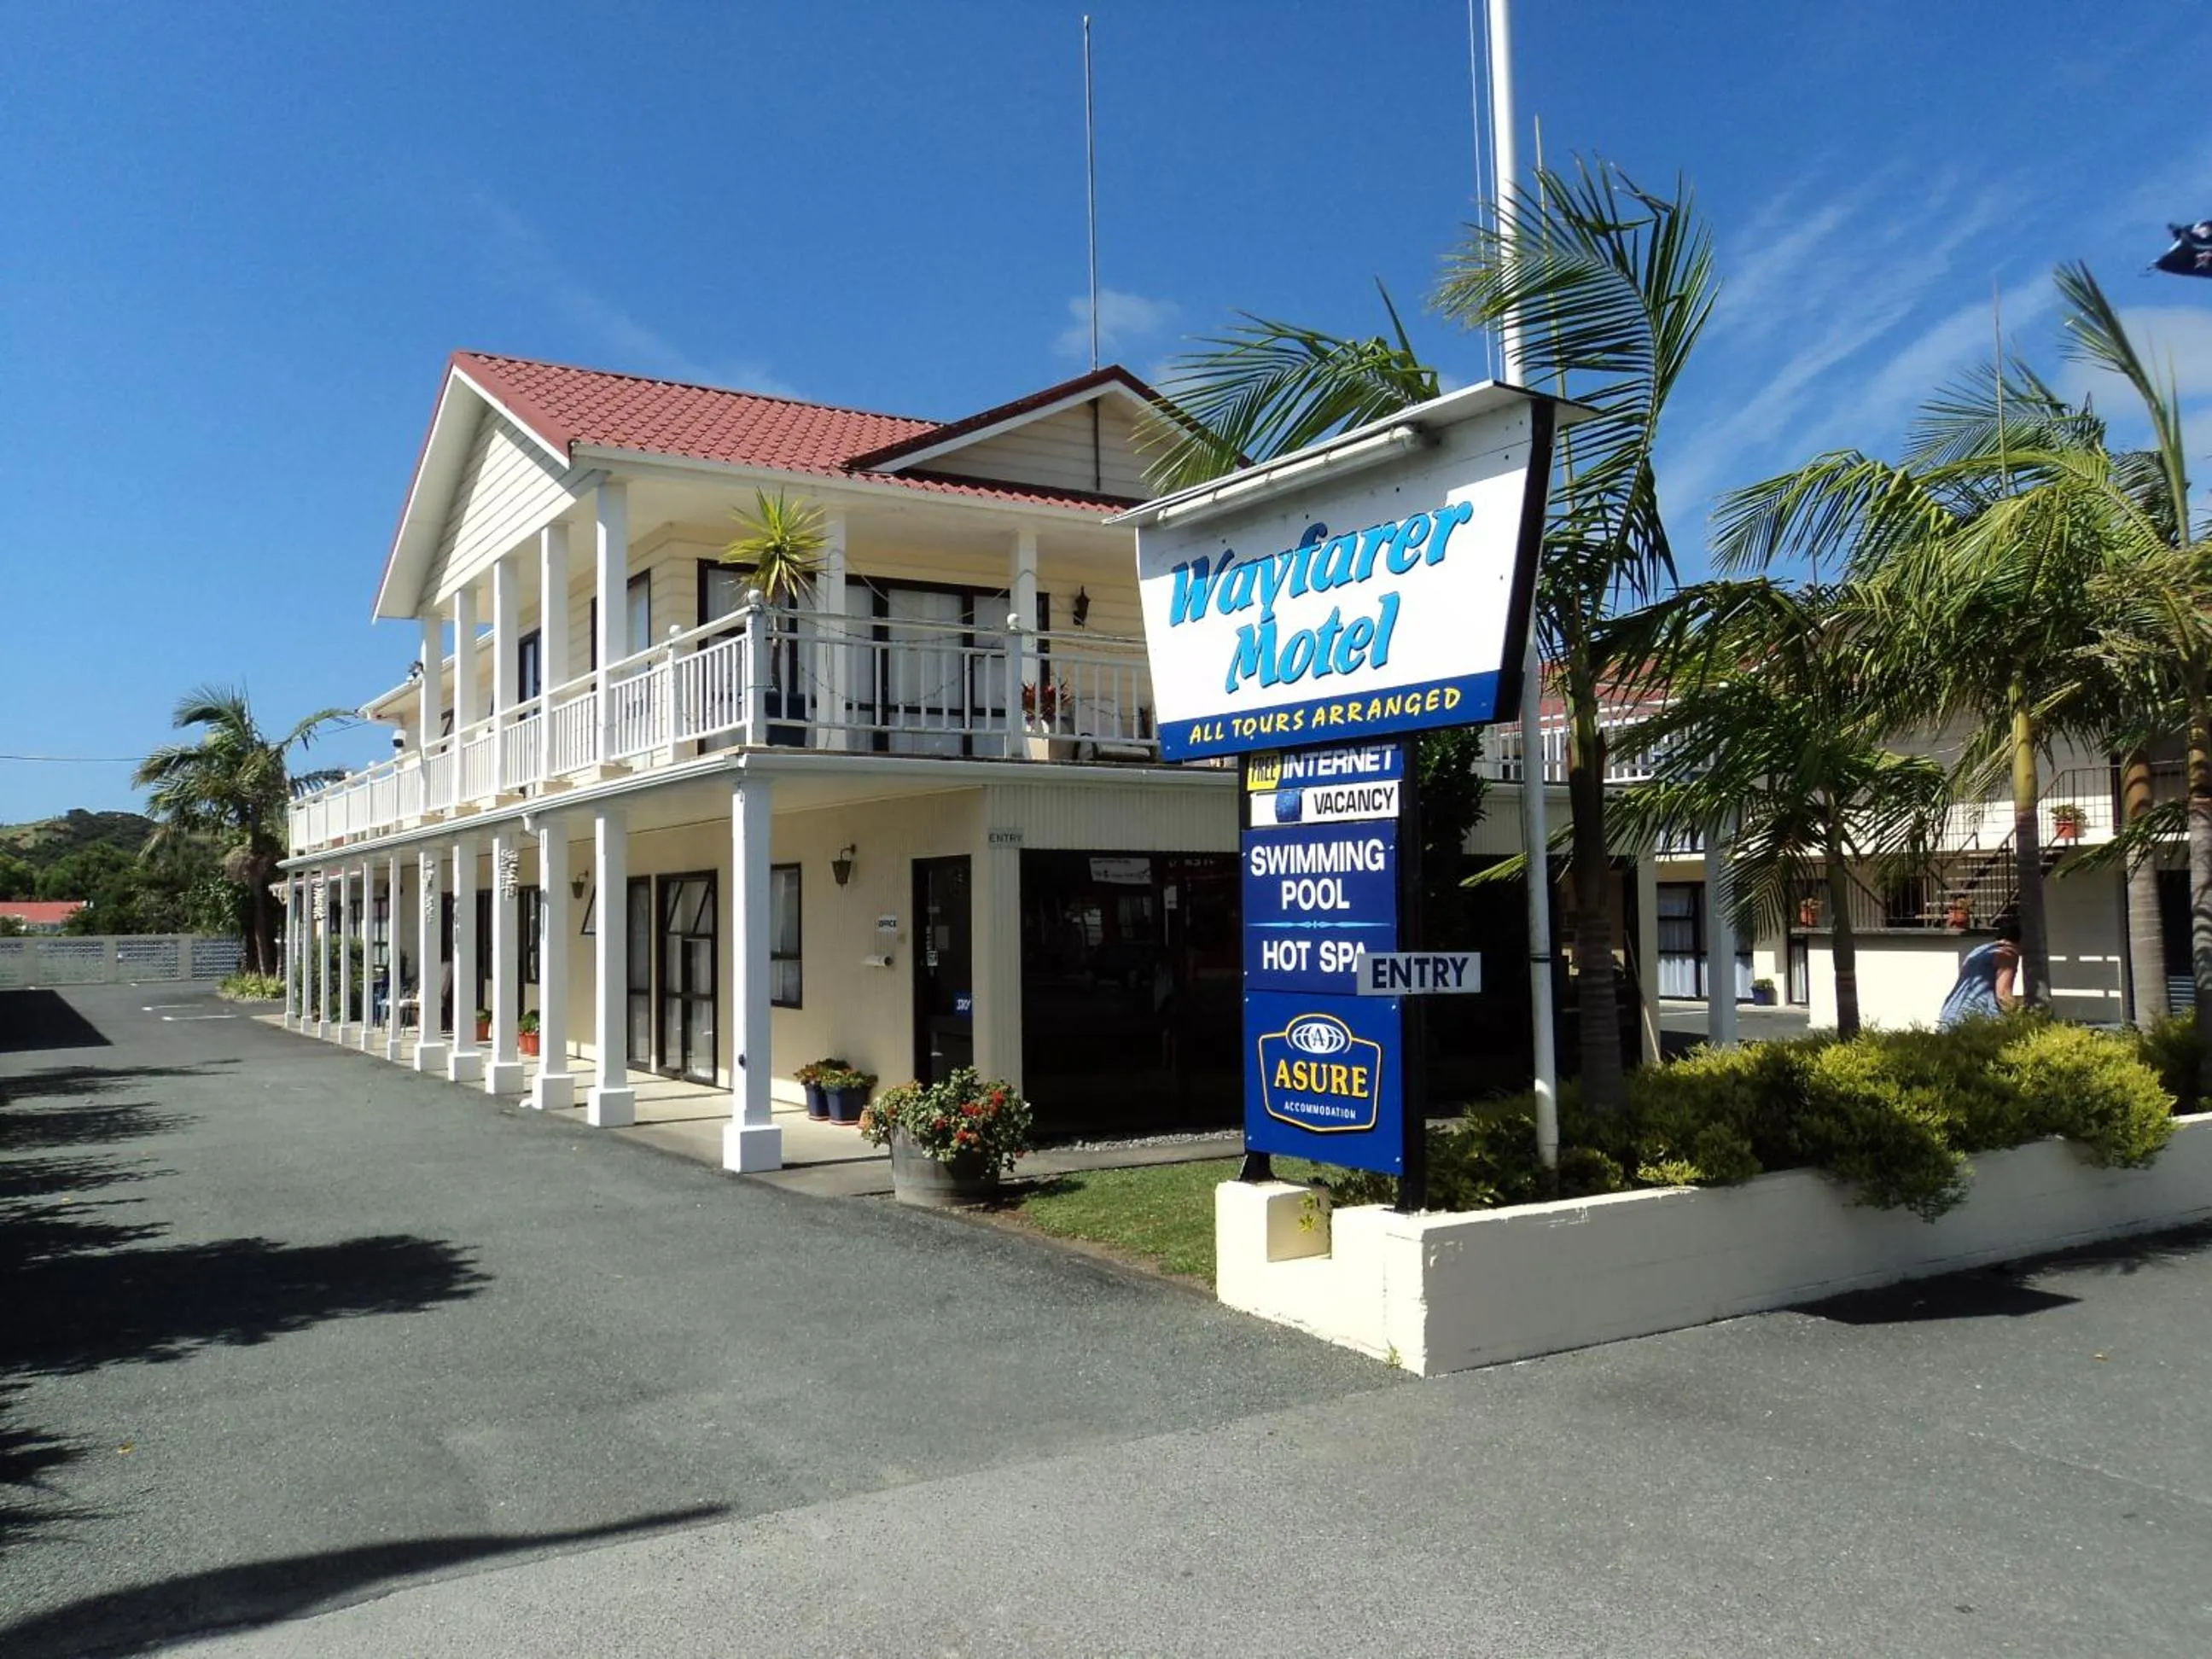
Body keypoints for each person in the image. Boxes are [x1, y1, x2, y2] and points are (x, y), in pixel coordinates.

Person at [1938, 917, 2021, 1027]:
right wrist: (2022, 1018)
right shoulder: (2007, 954)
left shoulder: (1978, 951)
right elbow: (2003, 996)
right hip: (1973, 1018)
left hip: (1950, 1012)